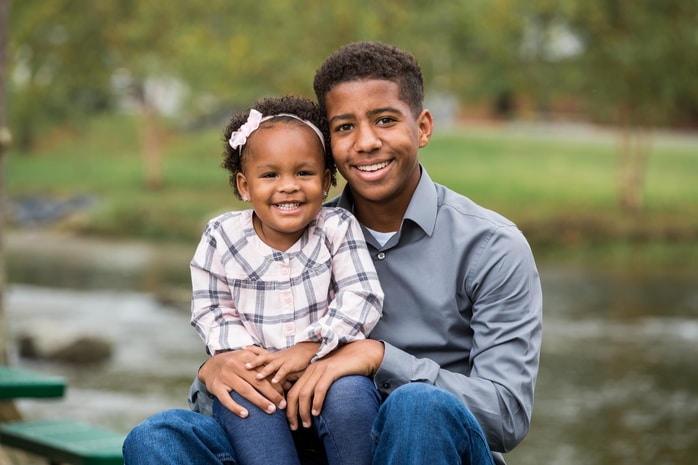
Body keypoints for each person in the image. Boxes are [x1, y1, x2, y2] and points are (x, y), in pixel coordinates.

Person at [123, 41, 543, 465]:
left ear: (423, 127)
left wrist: (378, 358)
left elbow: (507, 416)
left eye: (385, 120)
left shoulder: (492, 247)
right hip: (305, 438)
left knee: (418, 407)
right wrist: (211, 371)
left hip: (429, 447)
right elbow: (241, 345)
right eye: (344, 127)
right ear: (328, 146)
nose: (365, 142)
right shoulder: (299, 233)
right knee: (156, 437)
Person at [188, 95, 383, 465]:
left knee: (352, 399)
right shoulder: (222, 236)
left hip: (329, 366)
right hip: (254, 374)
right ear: (244, 186)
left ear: (326, 181)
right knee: (245, 401)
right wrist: (257, 363)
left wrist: (313, 347)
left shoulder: (336, 228)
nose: (288, 186)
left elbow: (362, 294)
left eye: (304, 173)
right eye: (270, 174)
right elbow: (212, 308)